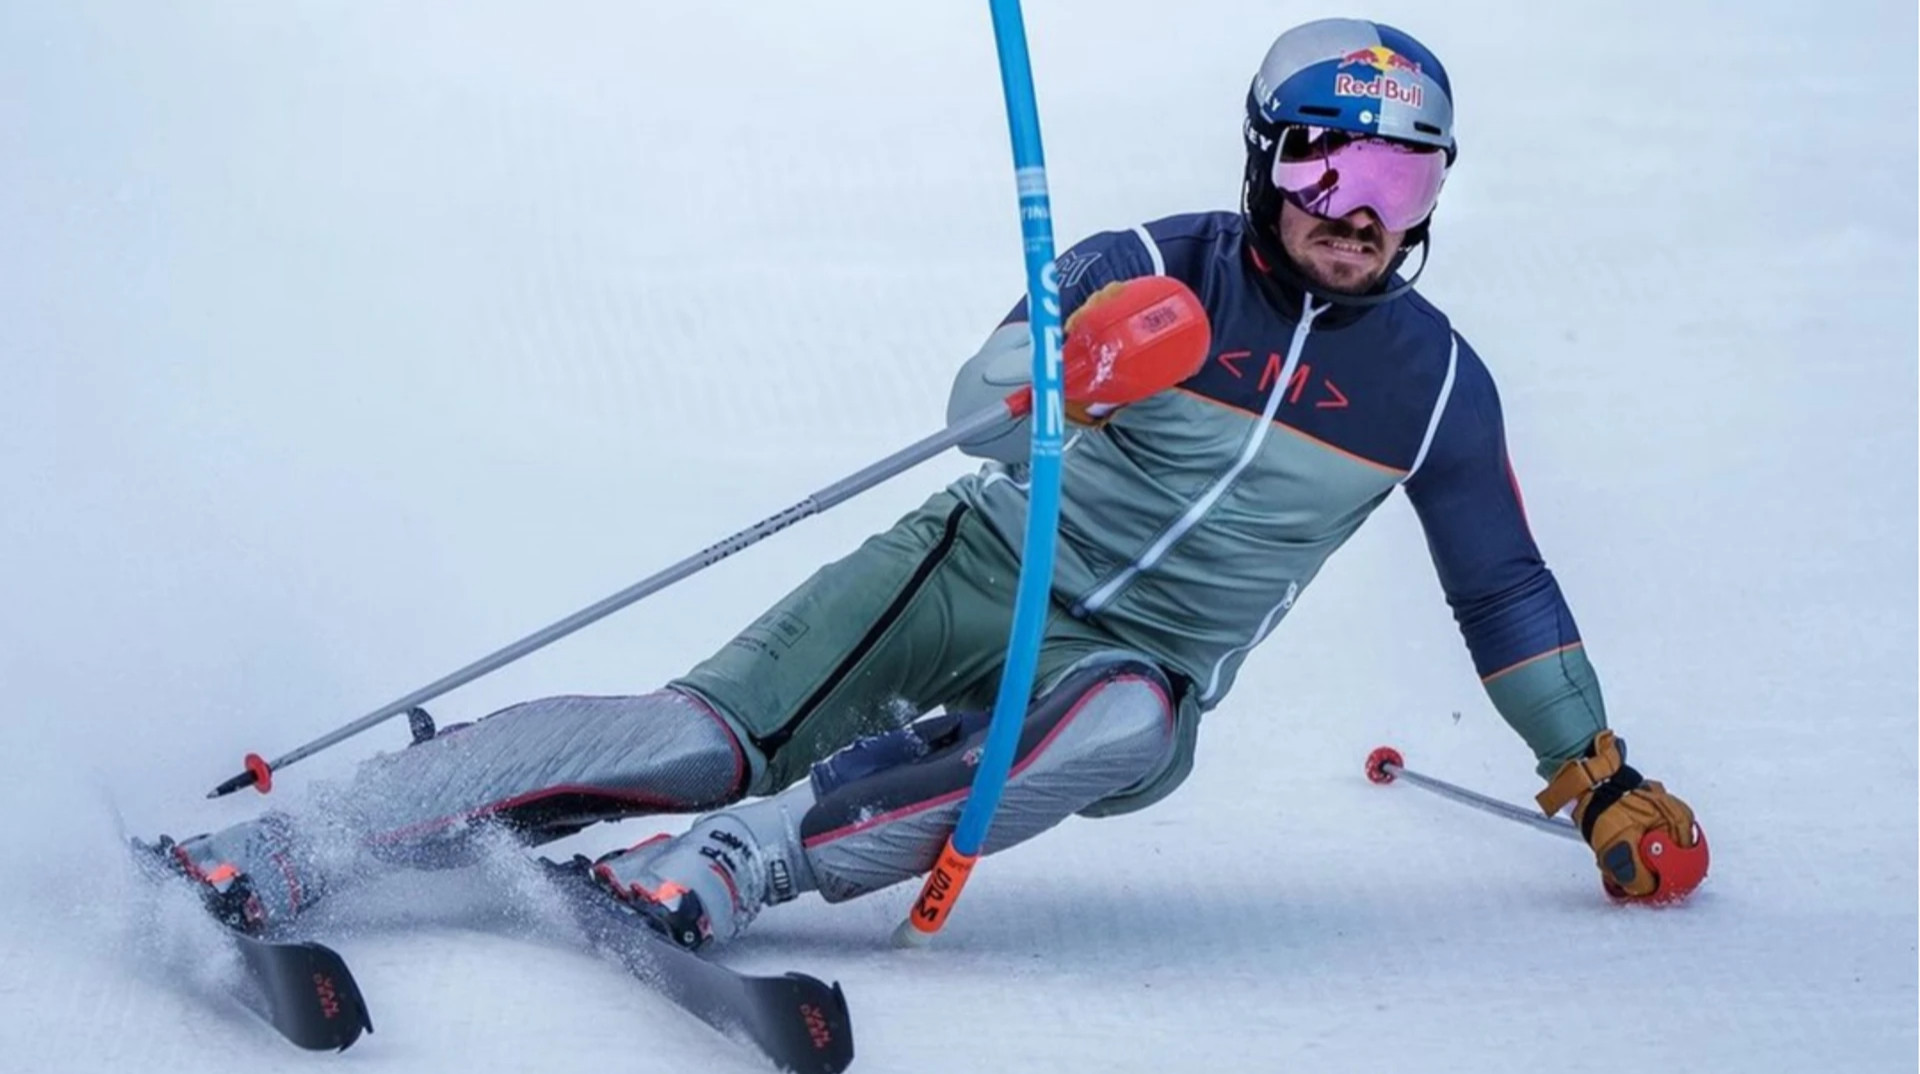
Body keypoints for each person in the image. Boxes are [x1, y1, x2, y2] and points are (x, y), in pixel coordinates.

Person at [155, 17, 1707, 947]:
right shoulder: (1153, 263)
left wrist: (1600, 775)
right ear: (1263, 157)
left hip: (1134, 657)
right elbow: (976, 408)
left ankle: (734, 869)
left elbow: (1502, 584)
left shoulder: (1432, 381)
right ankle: (320, 832)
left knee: (1121, 722)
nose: (1355, 212)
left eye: (1398, 180)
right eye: (1323, 164)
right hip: (975, 558)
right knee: (699, 738)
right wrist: (1068, 373)